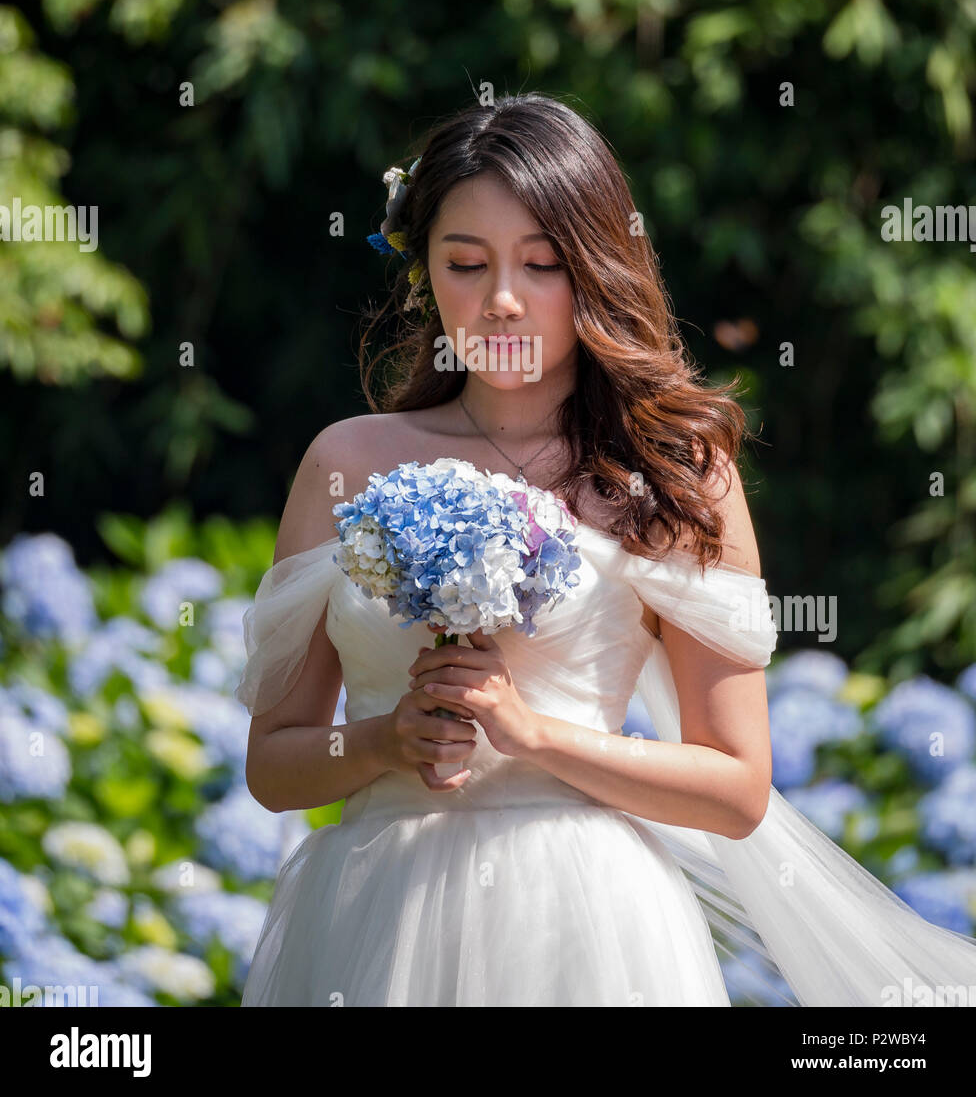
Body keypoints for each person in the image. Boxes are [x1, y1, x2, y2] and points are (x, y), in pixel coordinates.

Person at [236, 93, 976, 1007]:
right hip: (375, 913)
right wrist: (387, 739)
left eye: (541, 264)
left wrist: (535, 736)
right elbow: (273, 763)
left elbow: (736, 788)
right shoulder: (344, 462)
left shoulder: (674, 474)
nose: (501, 300)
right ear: (424, 272)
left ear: (593, 270)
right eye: (466, 262)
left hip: (588, 926)